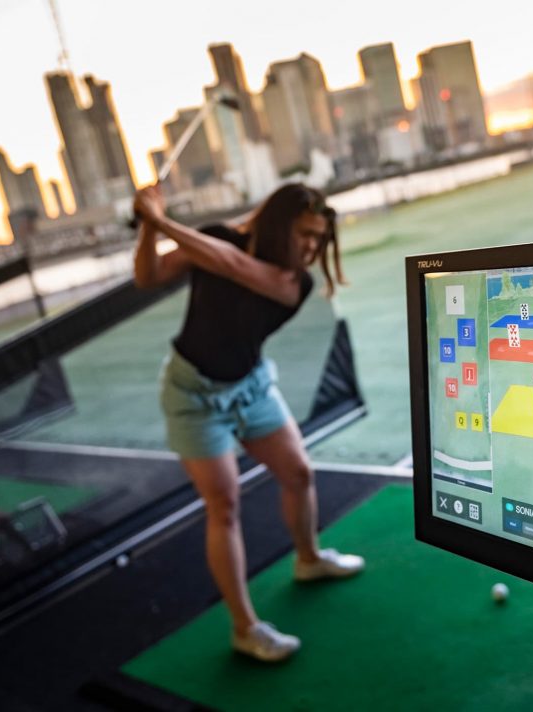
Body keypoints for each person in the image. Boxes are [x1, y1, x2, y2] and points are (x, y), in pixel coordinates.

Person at [133, 183, 364, 662]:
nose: (311, 248)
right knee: (224, 506)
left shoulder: (292, 283)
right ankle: (245, 627)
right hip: (192, 397)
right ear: (279, 223)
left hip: (251, 388)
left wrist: (158, 220)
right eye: (304, 234)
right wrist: (146, 233)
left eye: (319, 240)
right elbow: (149, 275)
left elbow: (232, 266)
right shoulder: (217, 238)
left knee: (298, 473)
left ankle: (309, 559)